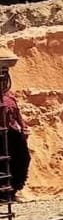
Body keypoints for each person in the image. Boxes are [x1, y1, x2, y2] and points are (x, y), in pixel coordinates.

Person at [0, 58, 30, 200]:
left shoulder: (10, 97)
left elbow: (17, 114)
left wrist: (23, 127)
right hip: (1, 135)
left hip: (12, 133)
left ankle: (14, 189)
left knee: (23, 158)